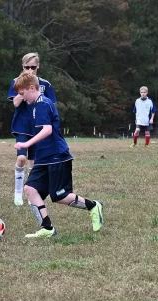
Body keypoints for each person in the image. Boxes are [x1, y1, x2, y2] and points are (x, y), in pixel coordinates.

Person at [13, 71, 103, 238]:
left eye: (22, 93)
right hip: (43, 157)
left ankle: (93, 206)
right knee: (30, 189)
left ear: (32, 88)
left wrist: (26, 144)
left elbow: (47, 130)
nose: (22, 97)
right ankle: (48, 228)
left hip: (56, 156)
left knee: (60, 196)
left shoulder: (42, 104)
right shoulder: (35, 105)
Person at [7, 52, 57, 206]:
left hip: (38, 126)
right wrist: (25, 90)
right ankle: (17, 193)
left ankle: (32, 193)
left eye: (33, 67)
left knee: (34, 163)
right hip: (22, 124)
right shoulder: (16, 82)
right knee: (21, 158)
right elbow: (15, 103)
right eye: (26, 67)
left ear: (38, 66)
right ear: (22, 67)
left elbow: (51, 104)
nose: (30, 70)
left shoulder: (45, 84)